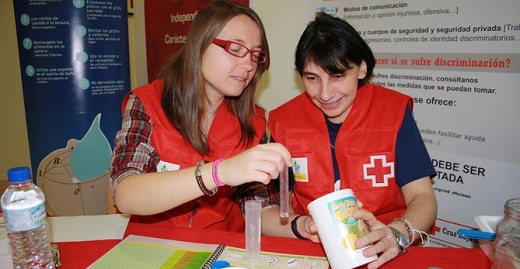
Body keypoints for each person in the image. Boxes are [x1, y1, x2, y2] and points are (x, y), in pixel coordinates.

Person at [264, 12, 437, 268]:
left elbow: (423, 198)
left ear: (362, 68)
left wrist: (397, 234)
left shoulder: (393, 112)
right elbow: (265, 212)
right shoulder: (283, 122)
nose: (325, 93)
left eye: (337, 76)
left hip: (386, 249)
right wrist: (301, 226)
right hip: (310, 252)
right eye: (312, 78)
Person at [109, 0, 291, 232]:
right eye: (235, 49)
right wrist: (219, 172)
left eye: (256, 55)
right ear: (199, 45)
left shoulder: (253, 122)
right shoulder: (148, 102)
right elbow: (126, 193)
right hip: (153, 245)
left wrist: (302, 226)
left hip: (219, 250)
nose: (248, 65)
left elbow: (261, 207)